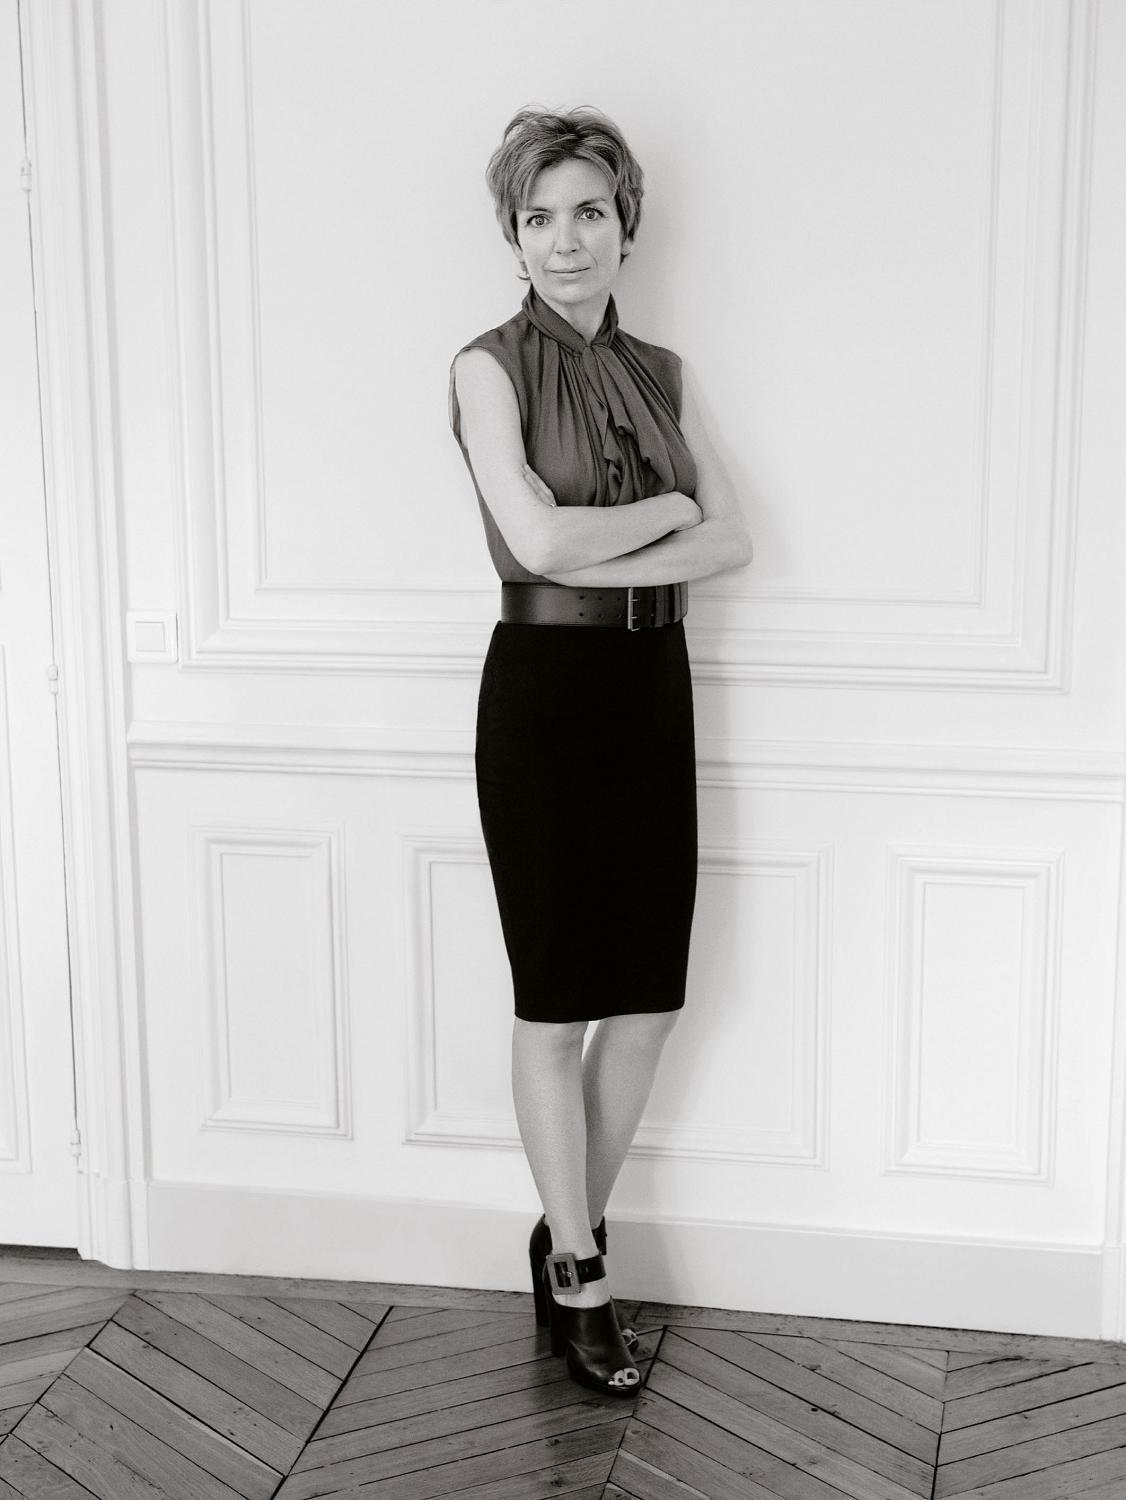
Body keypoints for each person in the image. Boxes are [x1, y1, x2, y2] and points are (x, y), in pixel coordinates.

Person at [448, 105, 753, 1398]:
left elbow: (733, 544)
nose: (564, 240)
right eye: (539, 217)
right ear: (513, 236)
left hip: (650, 690)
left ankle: (563, 1225)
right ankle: (581, 1270)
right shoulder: (484, 368)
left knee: (648, 999)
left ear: (626, 223)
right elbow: (535, 547)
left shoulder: (666, 373)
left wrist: (625, 539)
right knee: (555, 998)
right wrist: (670, 509)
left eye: (588, 211)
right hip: (543, 695)